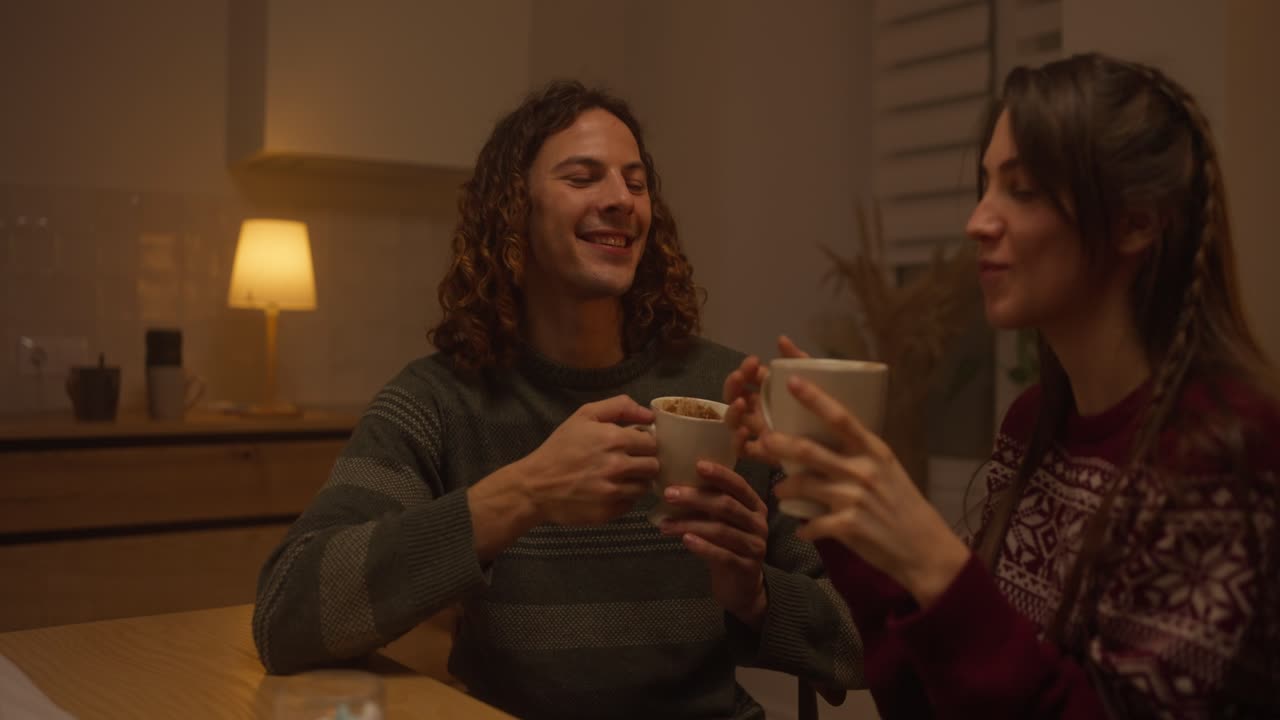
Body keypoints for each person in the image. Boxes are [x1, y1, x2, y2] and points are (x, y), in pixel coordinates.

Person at [251, 80, 863, 720]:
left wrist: (757, 595)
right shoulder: (439, 402)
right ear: (514, 210)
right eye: (582, 177)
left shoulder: (726, 394)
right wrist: (525, 493)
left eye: (634, 181)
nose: (621, 201)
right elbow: (287, 612)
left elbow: (863, 644)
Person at [725, 54, 1280, 717]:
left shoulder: (1227, 453)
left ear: (1137, 221)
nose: (978, 221)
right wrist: (835, 498)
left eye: (1022, 190)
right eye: (985, 186)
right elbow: (930, 695)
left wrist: (934, 560)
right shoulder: (1035, 423)